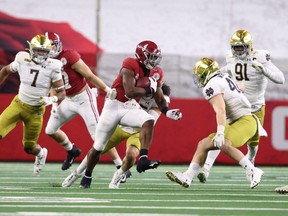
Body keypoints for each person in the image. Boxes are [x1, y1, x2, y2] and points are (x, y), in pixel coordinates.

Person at [79, 40, 182, 189]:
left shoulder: (156, 73)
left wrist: (167, 111)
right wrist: (149, 89)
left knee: (148, 120)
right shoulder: (130, 64)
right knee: (98, 147)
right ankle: (87, 174)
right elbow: (130, 92)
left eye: (155, 57)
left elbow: (159, 97)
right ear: (141, 55)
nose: (153, 61)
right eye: (150, 56)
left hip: (129, 110)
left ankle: (144, 158)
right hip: (114, 106)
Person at [197, 29, 285, 183]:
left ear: (249, 46)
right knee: (221, 135)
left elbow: (281, 78)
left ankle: (251, 164)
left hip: (256, 106)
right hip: (238, 106)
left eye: (241, 47)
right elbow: (228, 70)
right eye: (235, 47)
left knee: (253, 144)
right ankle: (206, 169)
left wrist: (265, 71)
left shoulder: (261, 57)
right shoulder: (230, 57)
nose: (238, 51)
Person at [166, 57, 267, 189]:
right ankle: (188, 176)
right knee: (203, 144)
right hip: (243, 121)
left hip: (245, 121)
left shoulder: (211, 85)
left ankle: (252, 170)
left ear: (207, 73)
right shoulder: (222, 77)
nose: (199, 79)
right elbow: (240, 88)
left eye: (200, 75)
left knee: (223, 143)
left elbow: (221, 110)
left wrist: (220, 132)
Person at [62, 83, 171, 189]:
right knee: (97, 148)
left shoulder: (161, 100)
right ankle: (77, 173)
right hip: (122, 125)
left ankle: (119, 175)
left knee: (131, 156)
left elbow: (151, 120)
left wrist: (136, 108)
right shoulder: (140, 87)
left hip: (139, 130)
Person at [43, 32, 125, 172]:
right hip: (67, 99)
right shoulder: (45, 61)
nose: (50, 49)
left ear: (58, 45)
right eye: (47, 46)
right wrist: (54, 104)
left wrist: (106, 88)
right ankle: (72, 150)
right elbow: (52, 84)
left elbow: (89, 75)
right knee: (50, 130)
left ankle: (120, 165)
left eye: (52, 45)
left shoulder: (69, 55)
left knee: (98, 135)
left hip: (83, 98)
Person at [0, 34, 66, 175]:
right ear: (31, 49)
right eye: (38, 50)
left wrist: (51, 100)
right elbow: (5, 70)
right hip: (18, 104)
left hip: (35, 111)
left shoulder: (53, 66)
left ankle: (41, 153)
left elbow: (62, 93)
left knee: (29, 147)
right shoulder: (22, 59)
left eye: (44, 51)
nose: (41, 54)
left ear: (49, 52)